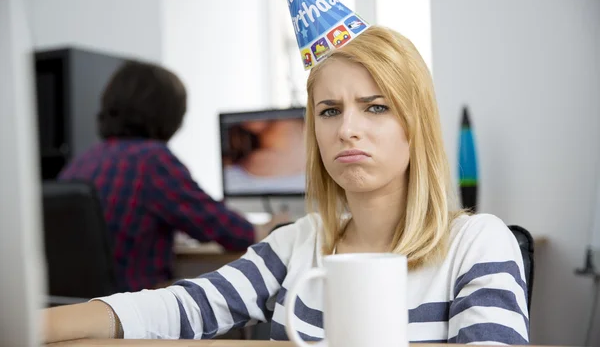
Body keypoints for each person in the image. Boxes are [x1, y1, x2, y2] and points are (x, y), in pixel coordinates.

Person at [44, 26, 529, 344]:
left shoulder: (479, 244)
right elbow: (185, 305)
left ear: (415, 125)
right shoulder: (298, 243)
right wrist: (32, 326)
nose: (347, 129)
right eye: (329, 111)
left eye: (375, 106)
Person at [58, 60, 289, 292]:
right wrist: (269, 228)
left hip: (81, 312)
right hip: (132, 311)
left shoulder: (83, 161)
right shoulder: (151, 160)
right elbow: (218, 225)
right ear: (169, 115)